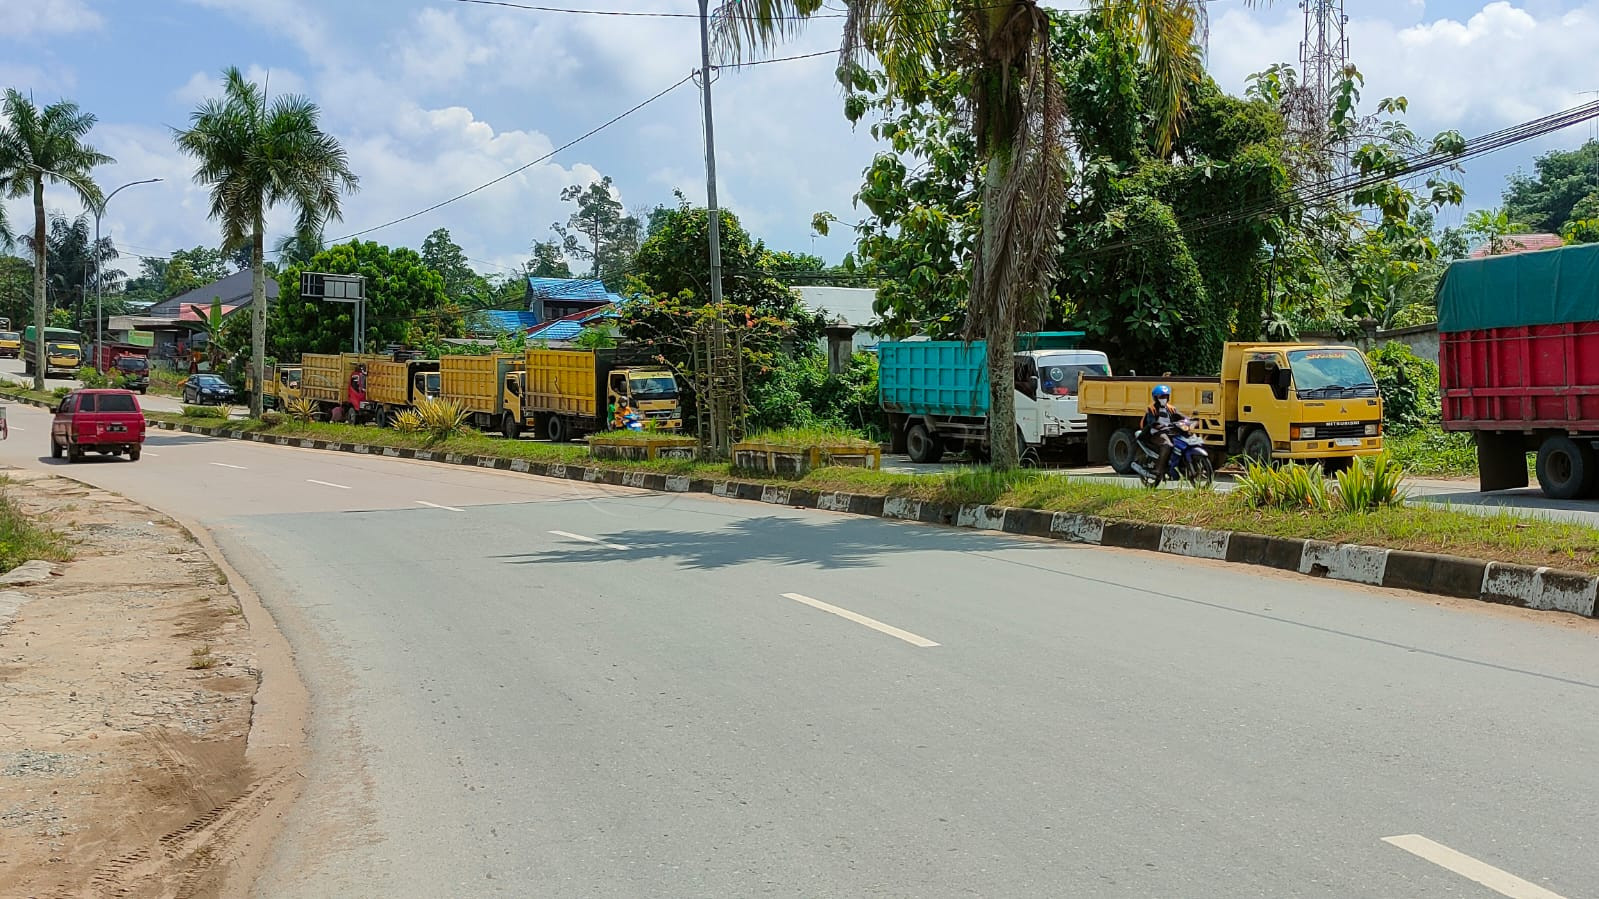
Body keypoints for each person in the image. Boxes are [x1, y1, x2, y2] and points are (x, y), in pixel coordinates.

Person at [1141, 384, 1188, 485]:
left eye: (1166, 396)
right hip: (1156, 433)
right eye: (1161, 397)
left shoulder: (1171, 408)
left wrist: (1188, 421)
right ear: (1156, 398)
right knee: (1167, 445)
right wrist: (1159, 426)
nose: (1164, 399)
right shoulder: (1152, 408)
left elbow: (1181, 417)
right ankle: (1158, 469)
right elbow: (1151, 422)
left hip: (1170, 432)